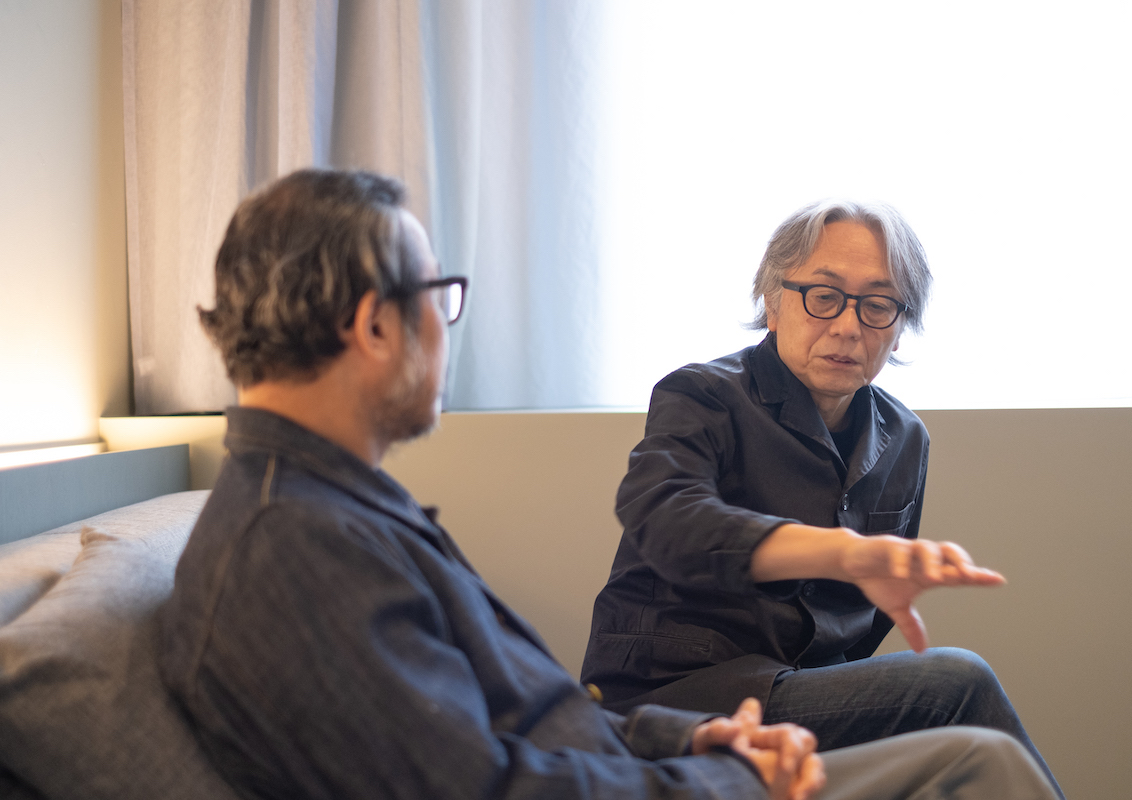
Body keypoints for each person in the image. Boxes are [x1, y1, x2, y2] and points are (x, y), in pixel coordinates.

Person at [157, 170, 1059, 800]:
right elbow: (476, 786)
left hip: (660, 751)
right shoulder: (293, 545)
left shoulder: (340, 512)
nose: (851, 324)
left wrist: (689, 742)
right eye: (439, 293)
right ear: (375, 326)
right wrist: (721, 779)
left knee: (972, 749)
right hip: (674, 749)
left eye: (878, 304)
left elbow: (511, 721)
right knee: (973, 751)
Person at [580, 200, 1064, 797]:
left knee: (957, 742)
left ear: (899, 325)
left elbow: (871, 618)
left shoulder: (905, 437)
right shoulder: (703, 394)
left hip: (810, 692)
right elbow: (666, 518)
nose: (848, 326)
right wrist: (840, 552)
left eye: (878, 305)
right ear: (773, 301)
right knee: (957, 681)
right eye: (824, 296)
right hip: (673, 697)